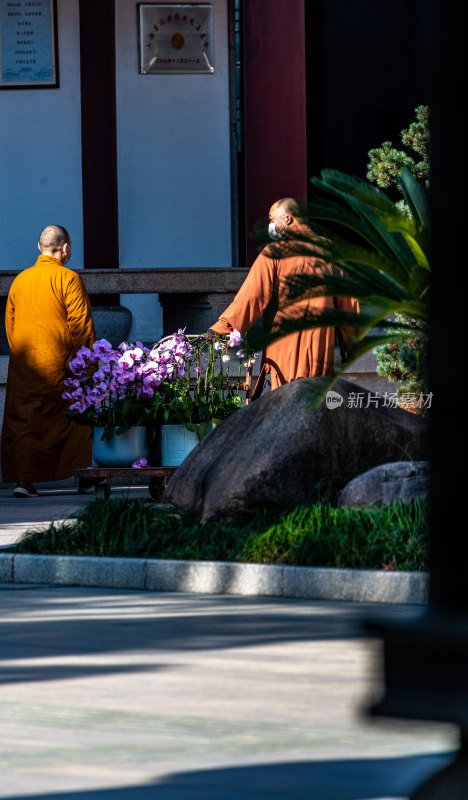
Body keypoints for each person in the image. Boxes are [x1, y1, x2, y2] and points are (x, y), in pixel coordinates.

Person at [209, 197, 360, 395]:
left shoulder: (275, 252)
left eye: (272, 219)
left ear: (287, 219)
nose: (271, 225)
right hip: (320, 345)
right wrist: (352, 343)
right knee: (315, 405)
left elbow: (251, 297)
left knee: (287, 405)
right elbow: (347, 302)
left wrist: (222, 331)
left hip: (285, 346)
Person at [1, 225, 96, 497]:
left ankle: (24, 482)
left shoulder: (20, 280)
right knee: (73, 420)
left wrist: (22, 354)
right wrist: (87, 365)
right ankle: (83, 474)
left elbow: (10, 324)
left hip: (25, 368)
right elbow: (81, 326)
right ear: (65, 247)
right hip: (61, 366)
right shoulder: (68, 279)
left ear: (39, 247)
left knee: (24, 423)